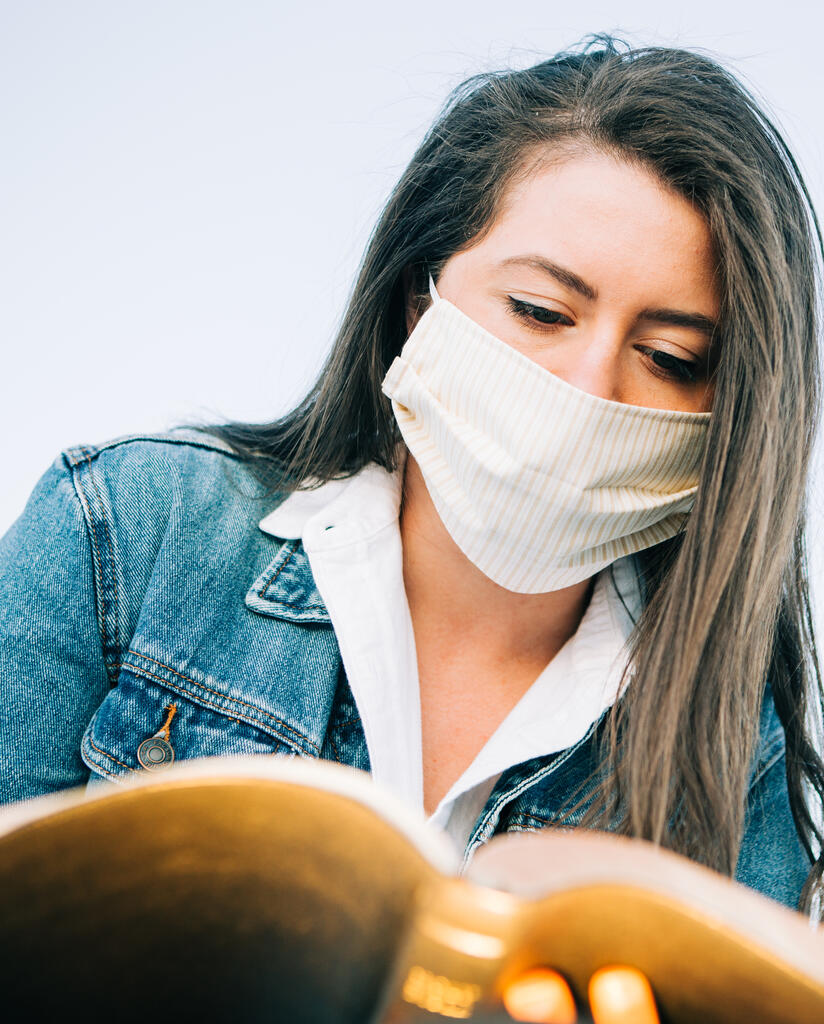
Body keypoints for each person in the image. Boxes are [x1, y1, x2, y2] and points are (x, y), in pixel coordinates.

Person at [1, 35, 822, 921]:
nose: (587, 389)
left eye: (669, 357)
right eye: (540, 311)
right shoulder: (126, 534)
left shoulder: (734, 745)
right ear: (418, 297)